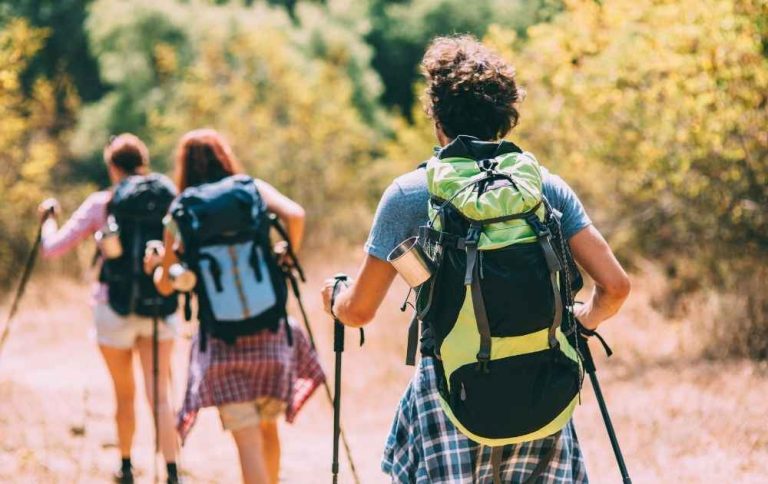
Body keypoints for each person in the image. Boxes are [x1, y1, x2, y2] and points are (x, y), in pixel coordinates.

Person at [321, 35, 631, 483]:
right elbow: (616, 286)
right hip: (542, 392)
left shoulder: (410, 194)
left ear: (437, 117)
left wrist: (336, 299)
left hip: (452, 395)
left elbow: (360, 310)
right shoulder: (543, 188)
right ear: (505, 118)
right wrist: (583, 320)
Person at [147, 128, 324, 484]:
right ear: (223, 157)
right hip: (270, 331)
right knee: (269, 431)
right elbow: (296, 214)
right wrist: (288, 255)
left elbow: (167, 284)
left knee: (247, 443)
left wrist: (157, 268)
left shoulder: (181, 210)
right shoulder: (249, 188)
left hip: (223, 341)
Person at [38, 134, 182, 484]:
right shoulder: (168, 198)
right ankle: (174, 472)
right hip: (160, 308)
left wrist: (46, 220)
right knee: (160, 395)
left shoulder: (103, 203)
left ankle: (127, 466)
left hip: (113, 310)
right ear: (143, 162)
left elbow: (54, 248)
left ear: (112, 166)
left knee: (125, 394)